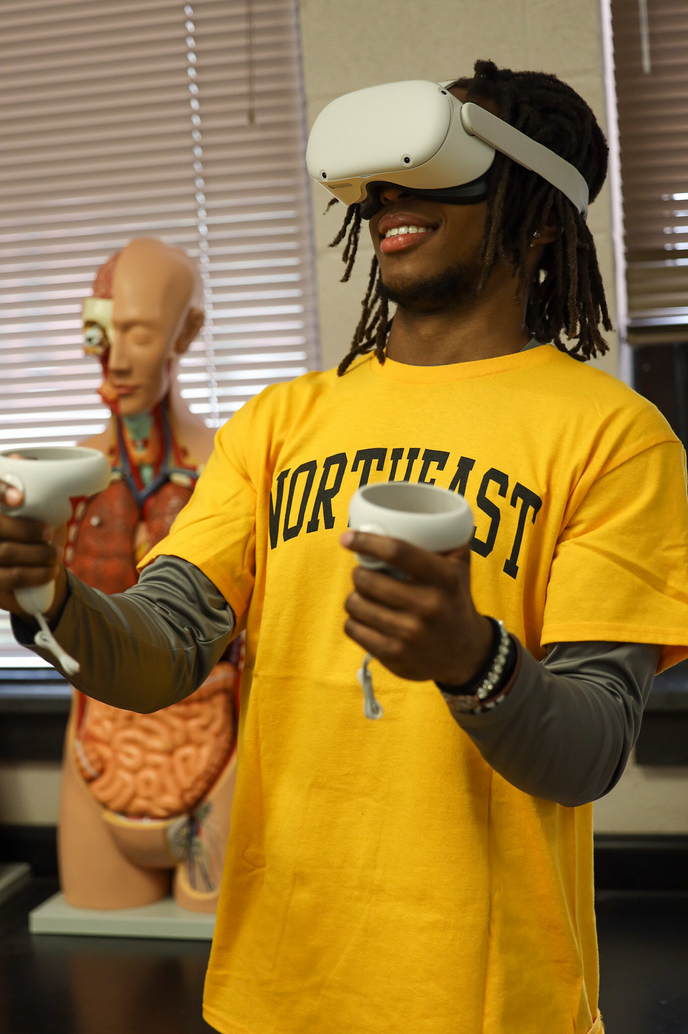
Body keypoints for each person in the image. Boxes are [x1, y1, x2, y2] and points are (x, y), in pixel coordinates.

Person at [1, 60, 688, 1034]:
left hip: (487, 1003)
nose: (389, 191)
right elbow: (159, 651)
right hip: (276, 987)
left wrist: (471, 659)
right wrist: (53, 598)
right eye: (381, 174)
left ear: (538, 215)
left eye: (438, 157)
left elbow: (591, 745)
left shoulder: (614, 438)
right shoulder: (280, 422)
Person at [58, 238, 240, 913]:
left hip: (219, 756)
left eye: (140, 332)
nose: (118, 357)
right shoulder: (65, 476)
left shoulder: (232, 466)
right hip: (96, 749)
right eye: (105, 332)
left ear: (184, 333)